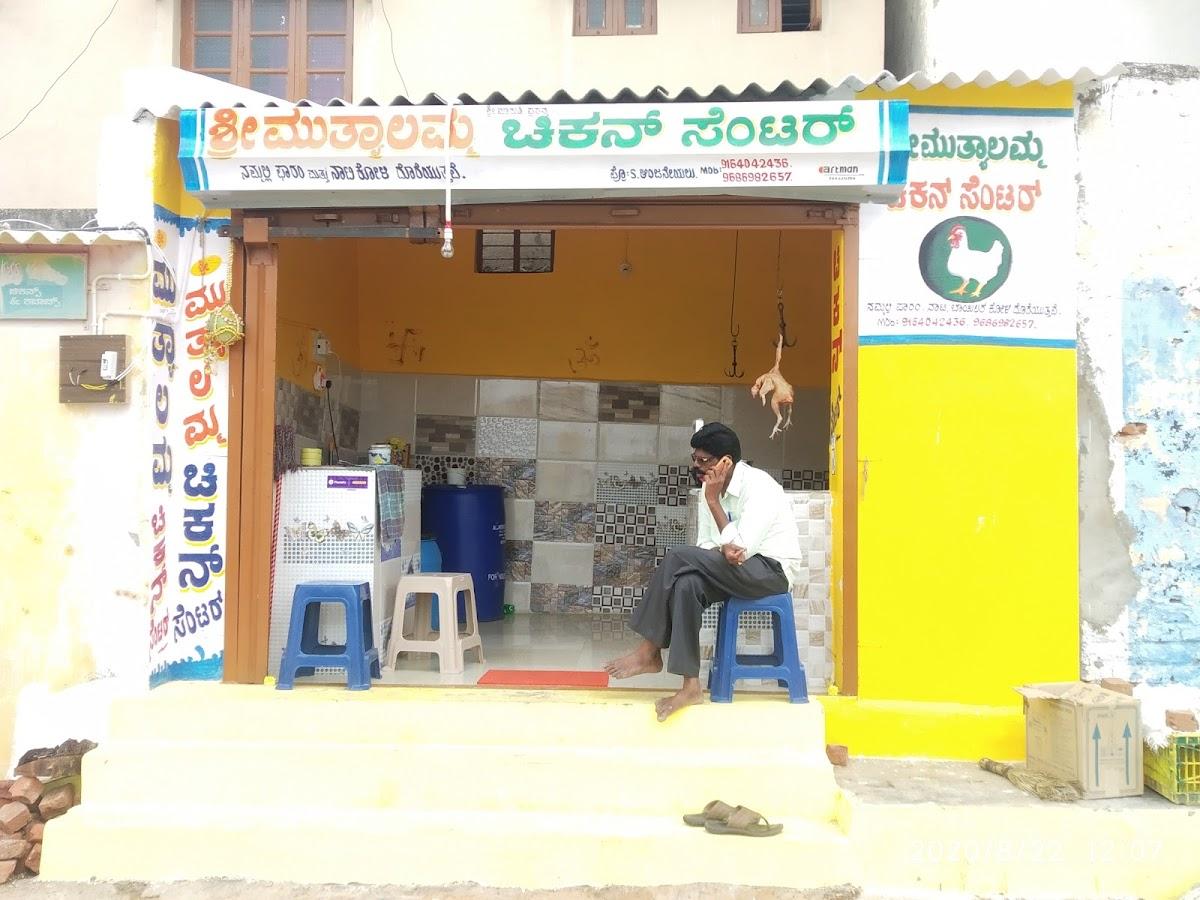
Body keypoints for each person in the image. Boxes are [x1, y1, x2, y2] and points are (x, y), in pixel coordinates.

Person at [604, 422, 802, 721]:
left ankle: (648, 651)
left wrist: (713, 502)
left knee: (675, 557)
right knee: (687, 583)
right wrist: (720, 541)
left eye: (704, 461)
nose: (697, 467)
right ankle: (691, 686)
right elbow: (709, 545)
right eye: (694, 459)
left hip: (770, 571)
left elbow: (741, 549)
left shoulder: (760, 488)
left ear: (726, 462)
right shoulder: (706, 490)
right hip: (736, 570)